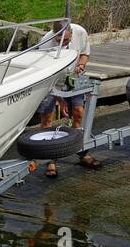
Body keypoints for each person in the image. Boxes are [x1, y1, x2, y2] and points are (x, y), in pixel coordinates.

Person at [35, 19, 100, 178]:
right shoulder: (45, 44)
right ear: (54, 35)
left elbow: (84, 54)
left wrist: (81, 66)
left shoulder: (80, 32)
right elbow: (49, 76)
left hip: (74, 76)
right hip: (50, 81)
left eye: (67, 40)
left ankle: (82, 151)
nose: (64, 43)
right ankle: (50, 159)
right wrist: (60, 100)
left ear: (71, 33)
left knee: (78, 111)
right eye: (60, 40)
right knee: (47, 119)